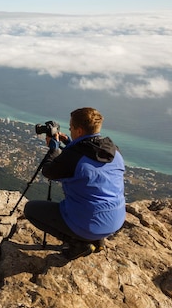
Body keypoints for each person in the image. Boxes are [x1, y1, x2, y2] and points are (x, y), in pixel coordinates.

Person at [24, 107, 126, 260]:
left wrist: (54, 149)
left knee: (30, 210)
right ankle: (98, 240)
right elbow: (88, 158)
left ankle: (79, 244)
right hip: (116, 221)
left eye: (71, 127)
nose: (69, 130)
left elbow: (49, 172)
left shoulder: (74, 158)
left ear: (79, 131)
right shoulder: (114, 151)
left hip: (88, 224)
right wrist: (71, 143)